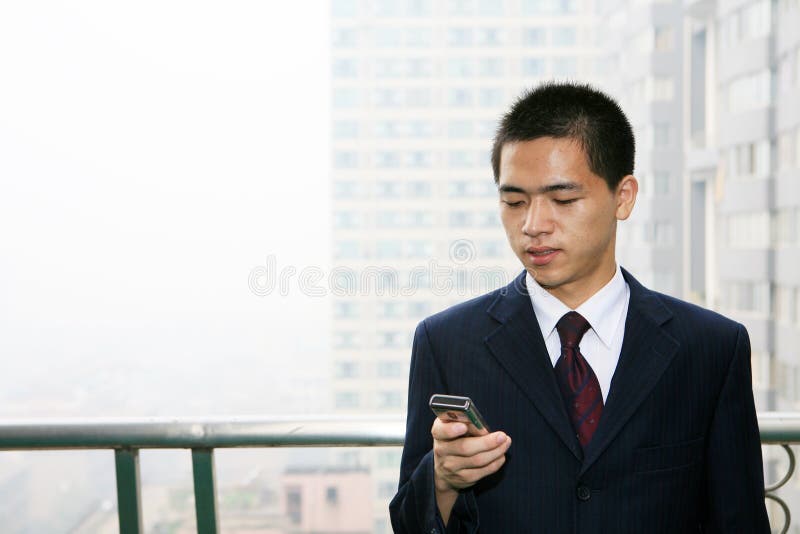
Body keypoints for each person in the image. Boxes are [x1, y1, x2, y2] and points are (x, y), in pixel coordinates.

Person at [388, 82, 770, 533]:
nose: (532, 225)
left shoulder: (711, 348)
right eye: (513, 202)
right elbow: (409, 524)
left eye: (563, 200)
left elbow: (739, 519)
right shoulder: (446, 341)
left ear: (623, 197)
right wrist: (443, 481)